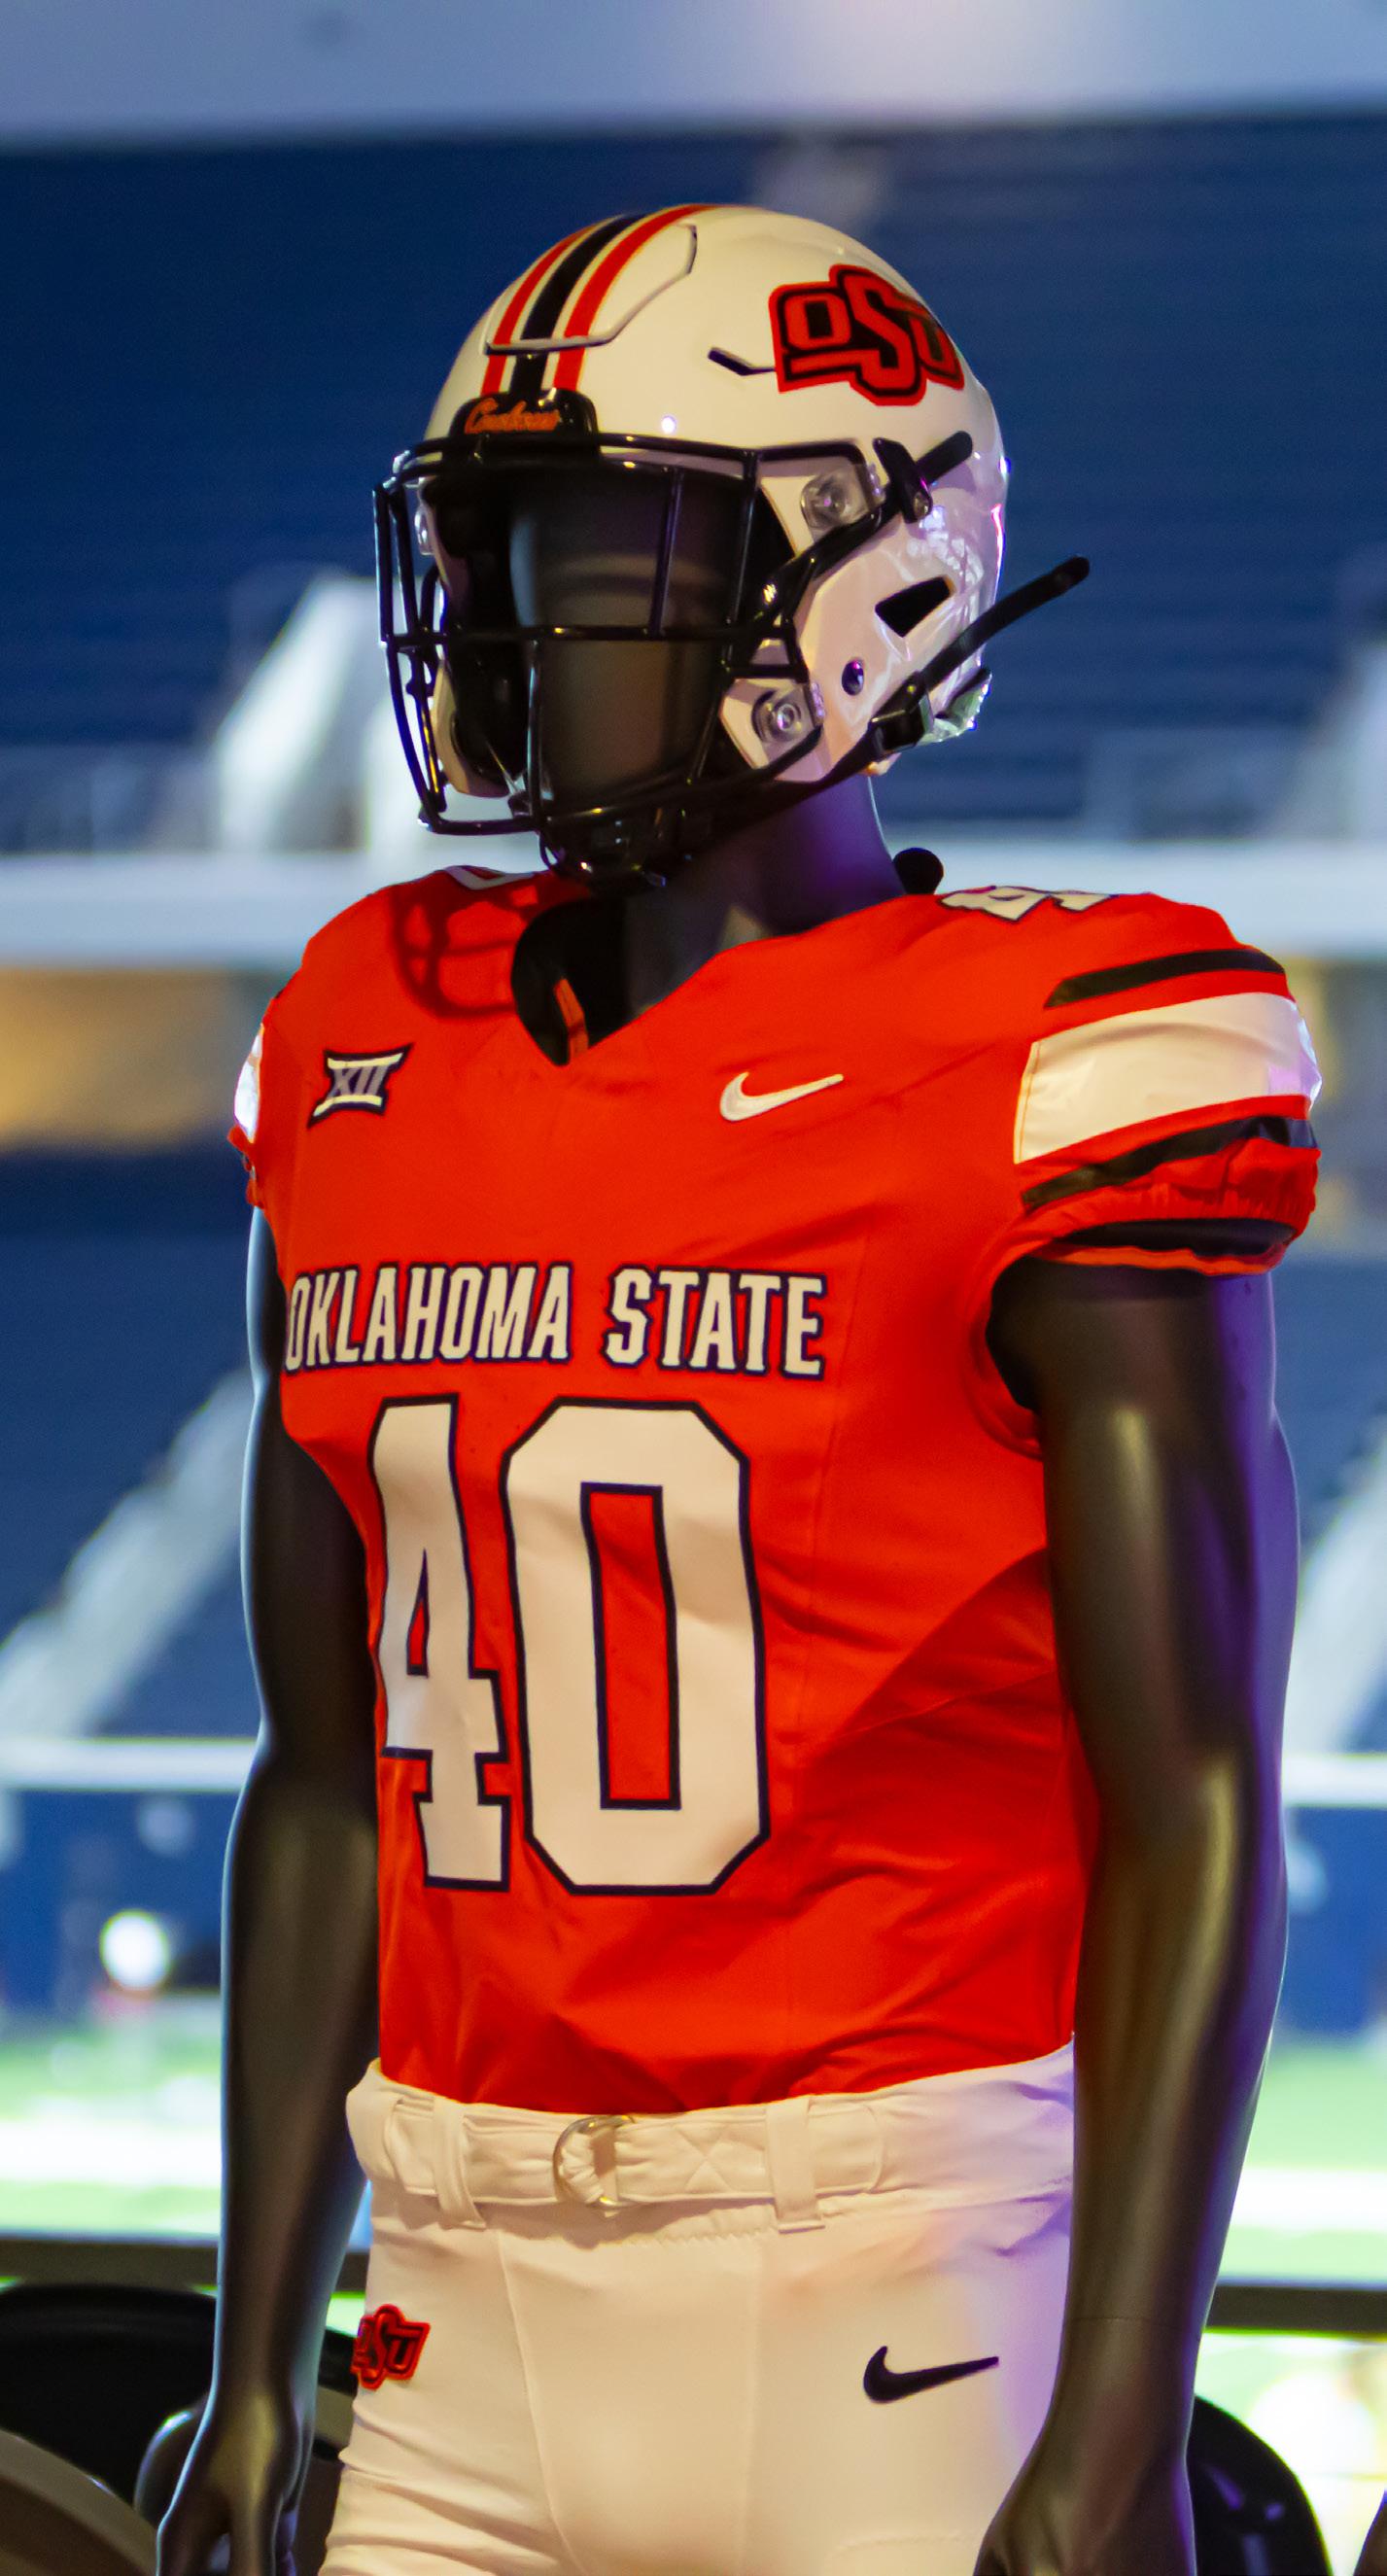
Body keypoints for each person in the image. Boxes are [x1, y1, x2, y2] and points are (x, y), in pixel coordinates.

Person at [157, 206, 1321, 2576]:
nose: (524, 626)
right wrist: (254, 2357)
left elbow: (1194, 1800)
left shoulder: (1050, 1051)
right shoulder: (367, 1032)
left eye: (612, 556)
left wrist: (1111, 2437)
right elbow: (324, 1781)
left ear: (859, 581)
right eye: (502, 553)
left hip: (889, 2273)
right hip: (450, 2286)